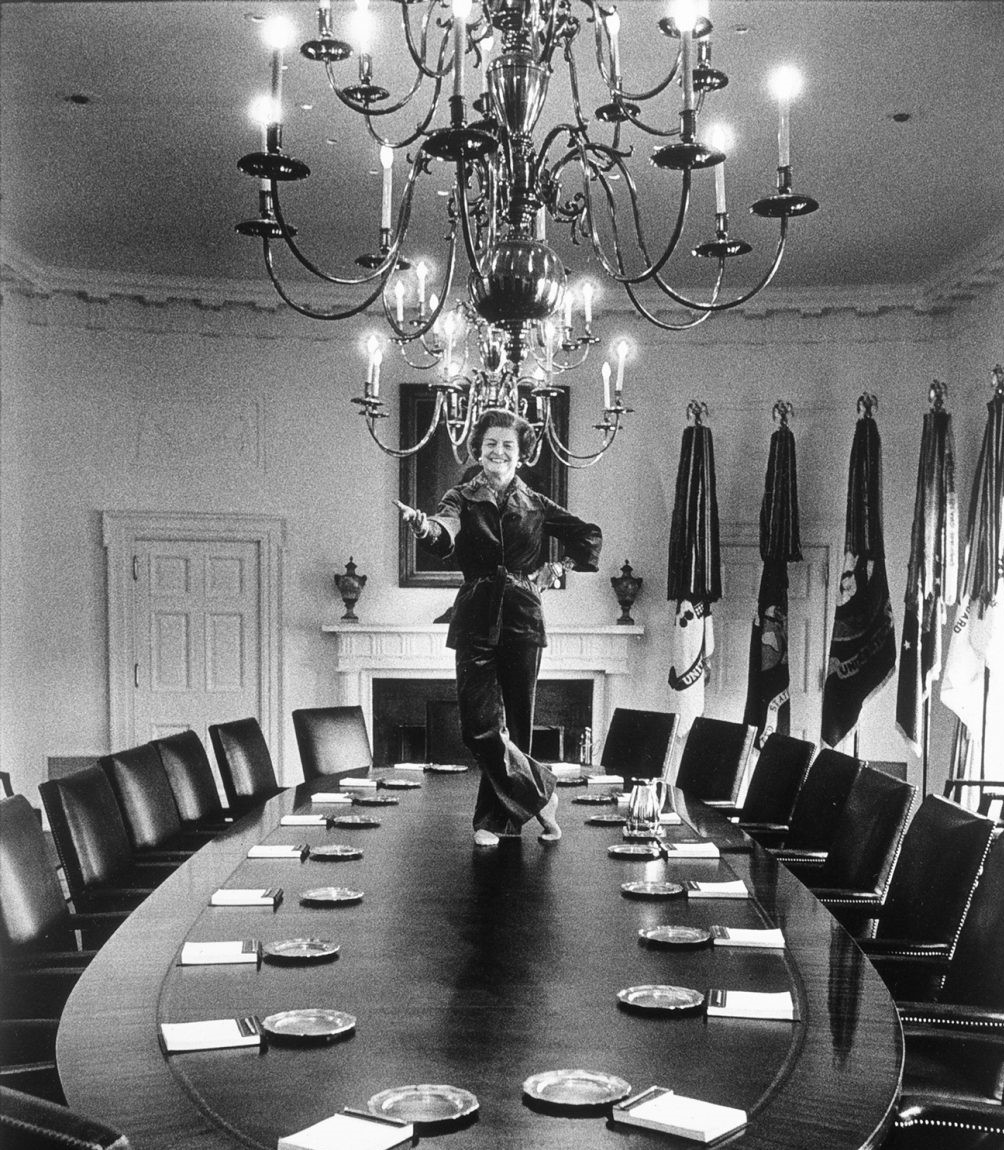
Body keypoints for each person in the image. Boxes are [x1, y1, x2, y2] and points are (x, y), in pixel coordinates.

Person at [397, 409, 602, 846]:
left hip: (524, 617)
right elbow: (444, 530)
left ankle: (497, 822)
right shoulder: (460, 497)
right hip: (475, 615)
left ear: (521, 454)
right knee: (479, 725)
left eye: (508, 445)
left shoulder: (536, 503)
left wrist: (558, 568)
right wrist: (424, 526)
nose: (499, 451)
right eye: (491, 443)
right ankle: (542, 794)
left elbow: (587, 535)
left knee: (519, 725)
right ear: (478, 450)